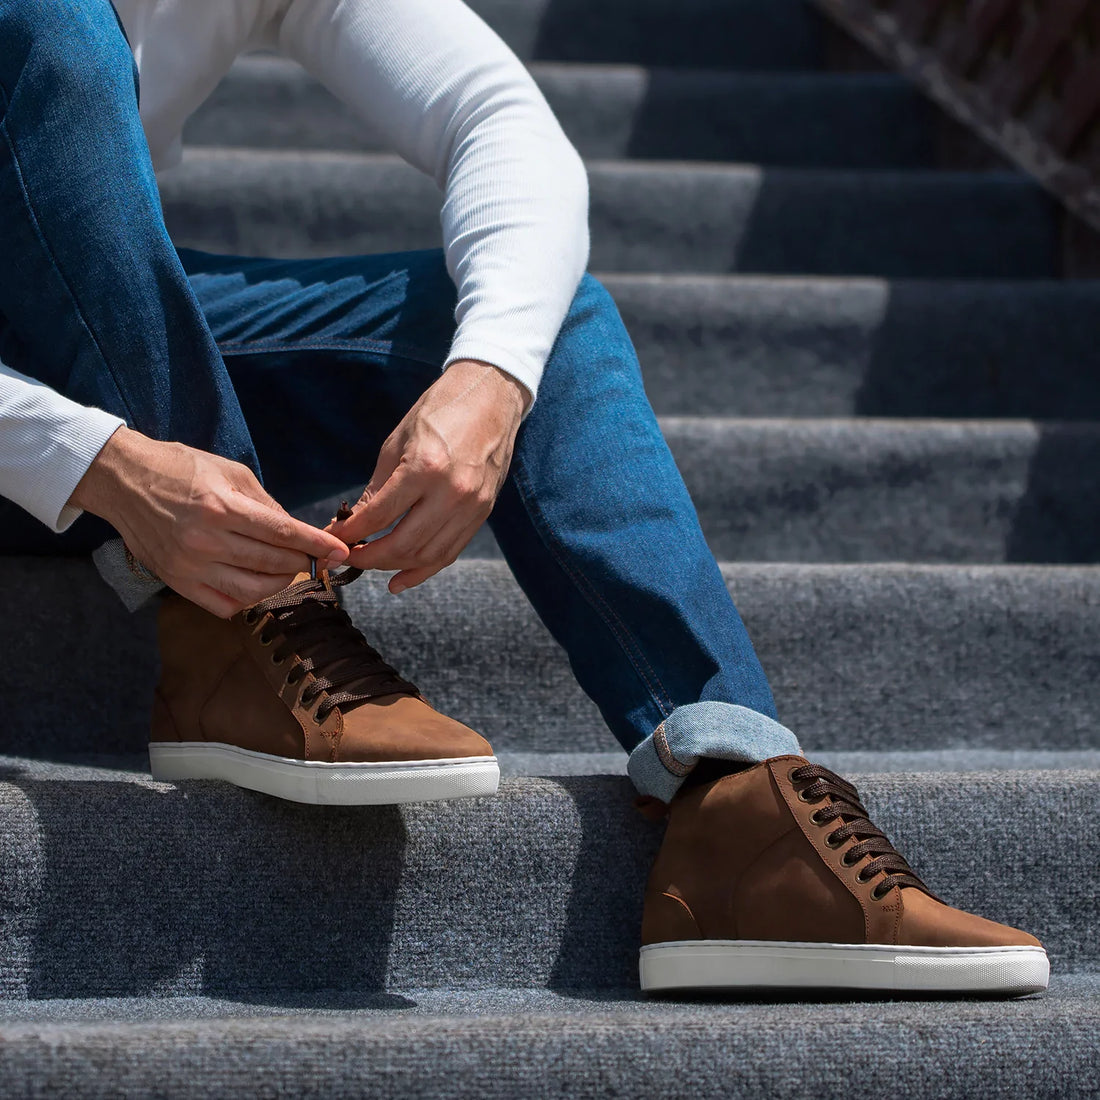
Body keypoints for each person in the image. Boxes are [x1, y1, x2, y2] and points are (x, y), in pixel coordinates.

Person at [0, 0, 1048, 997]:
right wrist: (98, 462)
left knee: (533, 312)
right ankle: (238, 615)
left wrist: (489, 378)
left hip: (102, 342)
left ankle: (737, 807)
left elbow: (498, 119)